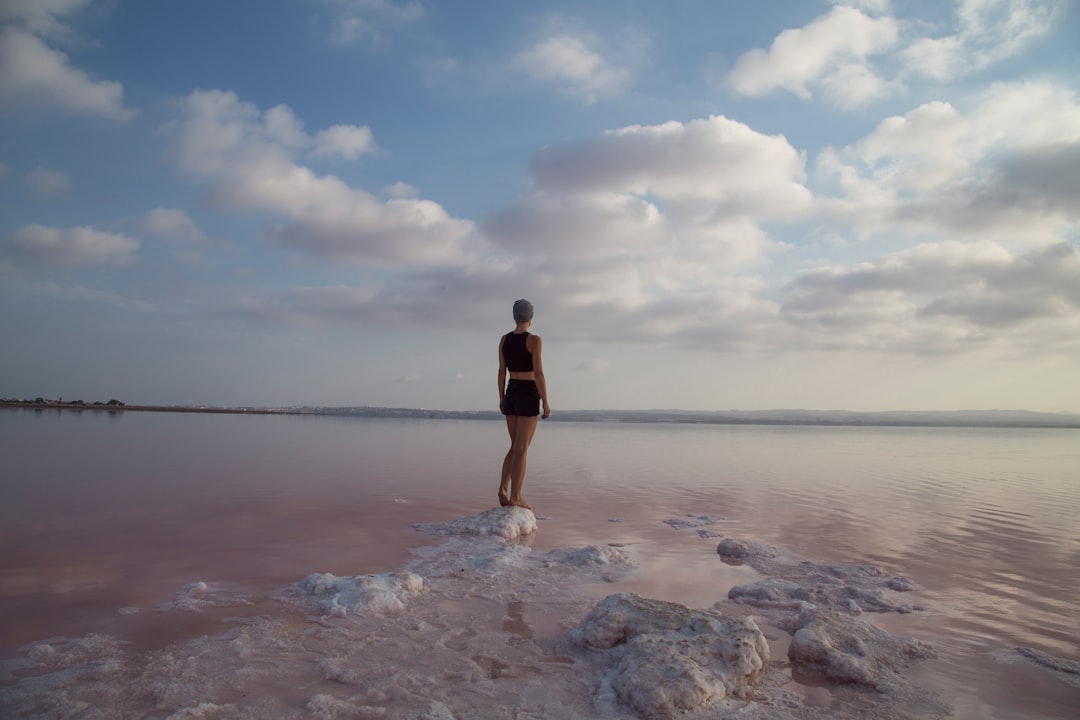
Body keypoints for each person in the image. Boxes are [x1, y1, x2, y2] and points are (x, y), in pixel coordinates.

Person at [497, 299, 550, 509]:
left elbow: (502, 372)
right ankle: (516, 496)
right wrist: (545, 400)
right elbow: (538, 372)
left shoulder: (504, 340)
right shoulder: (535, 340)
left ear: (514, 316)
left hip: (511, 390)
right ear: (531, 318)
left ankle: (503, 488)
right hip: (528, 392)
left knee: (515, 446)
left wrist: (501, 397)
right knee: (522, 449)